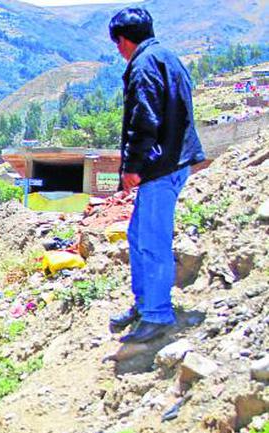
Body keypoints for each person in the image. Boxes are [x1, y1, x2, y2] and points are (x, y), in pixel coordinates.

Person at [107, 8, 205, 343]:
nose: (119, 50)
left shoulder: (144, 64)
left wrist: (132, 166)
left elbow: (143, 118)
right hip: (176, 161)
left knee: (152, 241)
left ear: (123, 39)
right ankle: (144, 301)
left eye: (118, 43)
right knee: (138, 235)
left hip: (160, 168)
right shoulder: (168, 58)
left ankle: (158, 313)